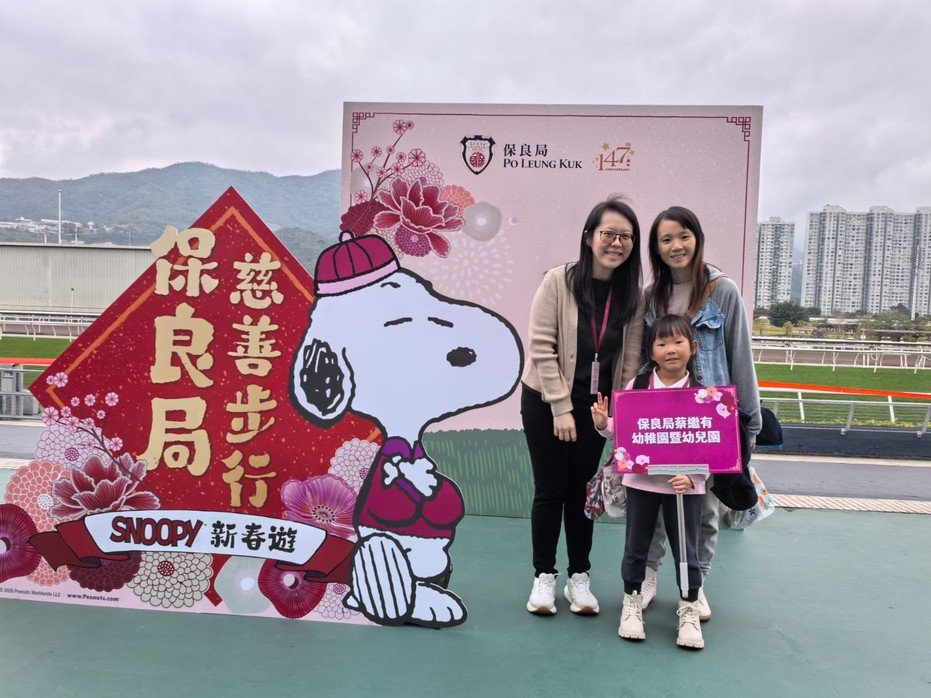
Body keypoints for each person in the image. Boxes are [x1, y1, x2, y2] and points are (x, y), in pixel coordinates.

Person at [520, 197, 644, 616]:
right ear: (589, 237)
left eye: (626, 236)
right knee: (550, 489)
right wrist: (559, 407)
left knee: (583, 492)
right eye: (608, 233)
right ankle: (544, 576)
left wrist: (617, 416)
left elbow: (629, 358)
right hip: (546, 400)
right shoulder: (559, 280)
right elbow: (541, 346)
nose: (616, 243)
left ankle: (579, 577)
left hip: (596, 409)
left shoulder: (631, 295)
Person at [639, 206, 762, 621]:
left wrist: (749, 423)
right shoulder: (651, 296)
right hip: (660, 417)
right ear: (656, 248)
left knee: (704, 507)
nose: (676, 246)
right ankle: (648, 574)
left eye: (683, 236)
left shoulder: (722, 290)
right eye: (666, 239)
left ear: (697, 238)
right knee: (653, 500)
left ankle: (696, 582)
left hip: (708, 420)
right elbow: (642, 359)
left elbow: (739, 355)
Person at [591, 314, 707, 649]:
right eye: (662, 343)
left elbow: (710, 443)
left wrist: (694, 477)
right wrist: (604, 424)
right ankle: (631, 602)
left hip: (684, 488)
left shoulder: (703, 394)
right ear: (652, 352)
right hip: (641, 484)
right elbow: (625, 433)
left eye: (678, 342)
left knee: (687, 551)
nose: (671, 349)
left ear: (693, 347)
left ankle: (689, 608)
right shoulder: (637, 386)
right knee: (636, 546)